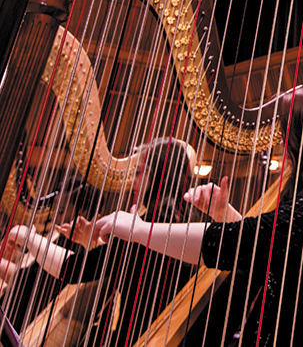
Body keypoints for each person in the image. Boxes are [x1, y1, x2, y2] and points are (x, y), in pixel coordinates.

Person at [95, 81, 303, 347]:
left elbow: (243, 241)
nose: (283, 146)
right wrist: (225, 213)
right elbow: (273, 252)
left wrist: (138, 230)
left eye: (287, 134)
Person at [7, 137, 197, 347]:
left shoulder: (151, 227)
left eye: (138, 172)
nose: (132, 182)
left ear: (159, 176)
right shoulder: (173, 222)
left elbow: (71, 269)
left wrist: (28, 236)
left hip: (139, 337)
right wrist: (93, 242)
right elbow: (126, 263)